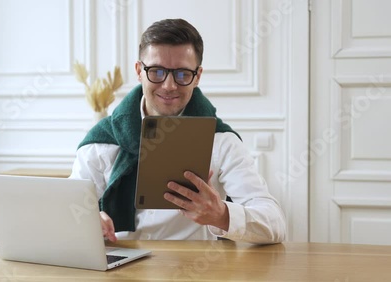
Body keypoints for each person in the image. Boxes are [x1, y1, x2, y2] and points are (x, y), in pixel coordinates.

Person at [70, 18, 286, 244]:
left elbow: (276, 224)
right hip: (118, 268)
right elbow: (67, 210)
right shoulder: (101, 141)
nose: (169, 85)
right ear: (139, 71)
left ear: (198, 76)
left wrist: (222, 215)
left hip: (196, 270)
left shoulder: (221, 141)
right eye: (157, 71)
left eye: (182, 74)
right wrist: (88, 219)